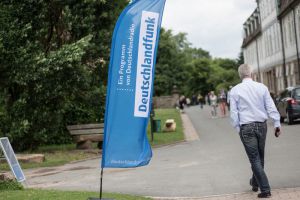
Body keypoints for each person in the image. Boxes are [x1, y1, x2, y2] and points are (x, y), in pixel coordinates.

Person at [230, 64, 281, 198]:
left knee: (255, 159)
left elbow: (234, 113)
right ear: (251, 73)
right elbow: (270, 106)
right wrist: (277, 123)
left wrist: (238, 129)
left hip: (246, 127)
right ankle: (254, 183)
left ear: (240, 75)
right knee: (259, 157)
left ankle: (265, 189)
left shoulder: (235, 90)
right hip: (261, 125)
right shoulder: (262, 87)